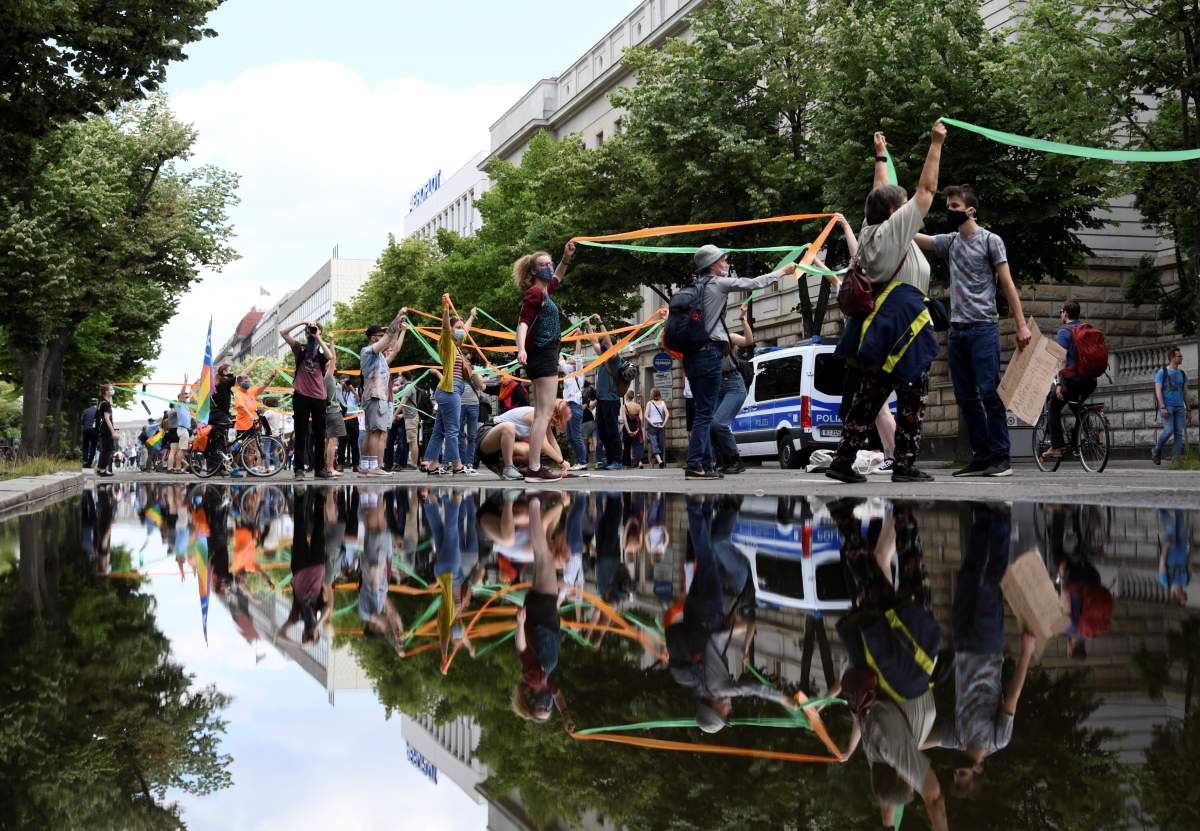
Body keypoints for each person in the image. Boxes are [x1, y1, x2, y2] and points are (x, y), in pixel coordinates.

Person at [827, 122, 947, 485]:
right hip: (902, 324)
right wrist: (935, 143)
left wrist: (880, 153)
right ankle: (905, 463)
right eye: (901, 204)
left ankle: (844, 459)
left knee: (871, 395)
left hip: (881, 323)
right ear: (895, 211)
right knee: (912, 393)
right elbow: (926, 190)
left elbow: (879, 190)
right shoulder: (895, 230)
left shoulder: (870, 229)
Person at [916, 185, 1030, 478]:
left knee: (989, 393)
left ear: (970, 210)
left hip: (983, 328)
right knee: (965, 397)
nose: (949, 211)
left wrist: (1021, 324)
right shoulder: (950, 243)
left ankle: (1001, 457)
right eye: (947, 205)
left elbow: (1007, 283)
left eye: (954, 206)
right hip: (957, 331)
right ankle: (981, 456)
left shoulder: (991, 241)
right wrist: (892, 223)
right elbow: (919, 240)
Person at [667, 496, 799, 732]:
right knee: (705, 557)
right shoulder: (699, 684)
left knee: (707, 556)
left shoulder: (718, 687)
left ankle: (696, 507)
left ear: (714, 708)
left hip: (710, 613)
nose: (729, 709)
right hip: (694, 611)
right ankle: (705, 507)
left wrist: (781, 698)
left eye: (725, 712)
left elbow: (751, 689)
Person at [933, 503, 1035, 800]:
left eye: (955, 775)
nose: (957, 771)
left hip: (963, 645)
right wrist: (1026, 651)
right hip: (989, 648)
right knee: (989, 585)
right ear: (977, 770)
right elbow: (1013, 695)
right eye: (962, 775)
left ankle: (983, 520)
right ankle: (1002, 522)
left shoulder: (956, 739)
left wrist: (899, 752)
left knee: (967, 577)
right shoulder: (998, 739)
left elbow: (927, 740)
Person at [683, 246, 797, 480]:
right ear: (712, 265)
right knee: (707, 416)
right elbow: (752, 283)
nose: (726, 263)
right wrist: (782, 272)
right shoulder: (718, 284)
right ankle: (696, 464)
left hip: (691, 356)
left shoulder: (694, 288)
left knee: (703, 416)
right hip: (709, 355)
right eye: (723, 260)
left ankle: (704, 464)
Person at [512, 493, 576, 732]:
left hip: (539, 611)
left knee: (545, 557)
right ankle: (546, 504)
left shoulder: (534, 678)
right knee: (546, 551)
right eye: (549, 709)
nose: (548, 705)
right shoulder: (544, 681)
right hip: (544, 610)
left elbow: (522, 649)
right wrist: (566, 716)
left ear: (531, 701)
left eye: (542, 707)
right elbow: (558, 695)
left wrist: (519, 624)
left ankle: (535, 504)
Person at [514, 241, 576, 482]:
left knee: (542, 412)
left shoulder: (544, 291)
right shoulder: (535, 293)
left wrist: (566, 257)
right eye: (543, 265)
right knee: (544, 413)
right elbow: (523, 322)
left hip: (543, 353)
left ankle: (535, 466)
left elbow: (557, 276)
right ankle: (535, 467)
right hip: (543, 353)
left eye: (549, 263)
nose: (548, 267)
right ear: (533, 271)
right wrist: (520, 348)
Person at [421, 297, 475, 475]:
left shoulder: (457, 346)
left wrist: (471, 317)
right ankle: (457, 465)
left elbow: (464, 331)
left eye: (461, 328)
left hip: (449, 391)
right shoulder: (446, 343)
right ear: (450, 330)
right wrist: (445, 310)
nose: (461, 331)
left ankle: (430, 462)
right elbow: (445, 328)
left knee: (440, 431)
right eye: (457, 328)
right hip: (450, 390)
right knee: (453, 430)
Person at [279, 320, 334, 480]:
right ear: (305, 333)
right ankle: (299, 470)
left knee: (319, 433)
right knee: (301, 433)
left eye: (315, 330)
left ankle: (319, 469)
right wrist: (302, 322)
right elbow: (283, 332)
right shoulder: (300, 349)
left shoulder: (321, 353)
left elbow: (330, 356)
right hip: (301, 395)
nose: (311, 333)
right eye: (309, 331)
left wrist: (318, 337)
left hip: (319, 397)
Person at [358, 307, 408, 475]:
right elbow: (388, 339)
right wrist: (397, 316)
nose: (385, 340)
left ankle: (365, 466)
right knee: (376, 432)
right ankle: (374, 467)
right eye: (380, 336)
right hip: (375, 395)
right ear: (373, 339)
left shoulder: (378, 357)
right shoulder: (368, 351)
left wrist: (399, 330)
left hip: (375, 396)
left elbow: (394, 348)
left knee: (372, 431)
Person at [1045, 301, 1098, 459]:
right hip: (1090, 380)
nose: (1060, 314)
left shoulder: (1064, 332)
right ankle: (1077, 443)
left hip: (1073, 380)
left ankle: (1057, 447)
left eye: (1061, 311)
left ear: (1066, 313)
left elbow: (1062, 359)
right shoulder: (1087, 328)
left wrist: (1060, 383)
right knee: (1077, 407)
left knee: (1053, 408)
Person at [711, 302, 755, 474]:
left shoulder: (728, 338)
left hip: (734, 384)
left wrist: (743, 319)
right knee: (710, 426)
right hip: (716, 385)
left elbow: (749, 341)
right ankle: (723, 461)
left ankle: (736, 459)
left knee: (718, 423)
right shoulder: (703, 340)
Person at [475, 401, 571, 480]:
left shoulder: (543, 420)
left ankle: (514, 468)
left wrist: (563, 467)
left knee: (530, 451)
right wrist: (562, 461)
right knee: (509, 427)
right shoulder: (535, 415)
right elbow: (544, 444)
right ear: (557, 415)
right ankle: (509, 468)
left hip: (499, 450)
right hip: (486, 438)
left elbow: (552, 442)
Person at [586, 316, 625, 471]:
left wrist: (600, 321)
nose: (601, 346)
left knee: (612, 431)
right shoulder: (603, 358)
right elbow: (593, 341)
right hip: (602, 401)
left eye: (603, 343)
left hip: (611, 401)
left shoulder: (615, 358)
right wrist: (588, 325)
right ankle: (609, 460)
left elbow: (606, 341)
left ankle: (617, 460)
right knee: (602, 432)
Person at [1153, 345, 1188, 465]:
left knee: (1178, 433)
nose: (1182, 358)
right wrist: (1162, 407)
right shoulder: (1162, 372)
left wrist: (1188, 408)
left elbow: (1185, 391)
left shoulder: (1183, 374)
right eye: (1180, 356)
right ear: (1172, 358)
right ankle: (1157, 449)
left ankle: (1176, 460)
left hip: (1179, 407)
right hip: (1167, 406)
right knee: (1169, 430)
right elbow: (1158, 391)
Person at [560, 334, 589, 470]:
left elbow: (578, 354)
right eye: (569, 357)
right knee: (571, 436)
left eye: (571, 357)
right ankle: (578, 461)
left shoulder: (578, 372)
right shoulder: (568, 372)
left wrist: (578, 337)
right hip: (567, 407)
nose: (570, 357)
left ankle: (582, 462)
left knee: (576, 435)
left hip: (575, 406)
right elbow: (559, 357)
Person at [206, 362, 238, 472]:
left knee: (217, 440)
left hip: (216, 414)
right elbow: (242, 375)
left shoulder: (219, 382)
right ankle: (218, 467)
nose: (231, 372)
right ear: (225, 371)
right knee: (220, 442)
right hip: (219, 415)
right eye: (230, 370)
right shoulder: (224, 382)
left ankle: (215, 467)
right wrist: (255, 362)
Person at [322, 335, 345, 477]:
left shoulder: (324, 379)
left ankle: (326, 467)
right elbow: (333, 358)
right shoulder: (328, 377)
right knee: (332, 441)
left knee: (328, 441)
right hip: (334, 412)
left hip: (327, 411)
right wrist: (331, 342)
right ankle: (330, 468)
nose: (334, 366)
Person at [458, 352, 485, 475]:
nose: (467, 361)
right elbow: (482, 386)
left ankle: (467, 462)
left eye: (468, 359)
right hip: (464, 405)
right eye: (466, 358)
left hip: (470, 405)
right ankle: (464, 463)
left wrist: (474, 374)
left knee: (469, 435)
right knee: (463, 435)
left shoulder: (472, 372)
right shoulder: (457, 372)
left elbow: (481, 386)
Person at [1158, 508, 1191, 606]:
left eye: (1183, 599)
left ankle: (1159, 506)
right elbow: (1188, 565)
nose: (1185, 596)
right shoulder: (1186, 581)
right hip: (1182, 549)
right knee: (1180, 522)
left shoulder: (1166, 582)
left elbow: (1162, 565)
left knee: (1169, 526)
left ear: (1177, 598)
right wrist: (1190, 548)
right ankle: (1178, 502)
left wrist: (1165, 547)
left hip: (1170, 550)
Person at [165, 379, 195, 474]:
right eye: (185, 397)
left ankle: (177, 468)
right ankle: (178, 468)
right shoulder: (180, 405)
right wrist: (185, 384)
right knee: (180, 450)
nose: (187, 398)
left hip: (183, 429)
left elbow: (191, 395)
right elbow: (182, 394)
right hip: (182, 429)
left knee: (179, 450)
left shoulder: (186, 407)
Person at [338, 376, 361, 471]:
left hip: (353, 418)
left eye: (346, 381)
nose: (345, 383)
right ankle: (340, 464)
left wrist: (351, 389)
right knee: (342, 442)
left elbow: (359, 401)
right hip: (342, 418)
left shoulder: (354, 390)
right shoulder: (339, 391)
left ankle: (356, 465)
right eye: (343, 381)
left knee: (354, 443)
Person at [95, 385, 117, 477]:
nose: (113, 391)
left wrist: (111, 400)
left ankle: (100, 469)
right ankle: (103, 470)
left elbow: (110, 402)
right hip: (106, 429)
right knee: (108, 450)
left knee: (105, 450)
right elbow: (107, 419)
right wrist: (113, 432)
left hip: (102, 429)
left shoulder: (102, 403)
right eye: (111, 389)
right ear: (106, 392)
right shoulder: (106, 404)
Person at [645, 388, 670, 469]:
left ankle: (660, 461)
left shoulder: (649, 403)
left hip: (652, 426)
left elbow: (646, 415)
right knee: (658, 444)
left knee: (655, 444)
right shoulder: (662, 403)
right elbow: (667, 414)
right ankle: (660, 461)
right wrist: (663, 424)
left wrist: (651, 423)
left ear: (652, 395)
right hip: (660, 425)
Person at [622, 389, 645, 468]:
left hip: (627, 427)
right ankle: (640, 462)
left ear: (627, 397)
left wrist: (628, 431)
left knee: (627, 446)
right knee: (638, 444)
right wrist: (637, 430)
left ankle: (627, 464)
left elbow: (625, 420)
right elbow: (641, 419)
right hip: (636, 426)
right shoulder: (638, 406)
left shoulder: (624, 406)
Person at [81, 397, 99, 468]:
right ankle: (89, 463)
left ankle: (85, 460)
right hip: (95, 431)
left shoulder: (85, 411)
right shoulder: (99, 411)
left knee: (85, 446)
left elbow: (82, 422)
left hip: (86, 430)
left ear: (90, 403)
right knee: (93, 447)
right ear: (97, 404)